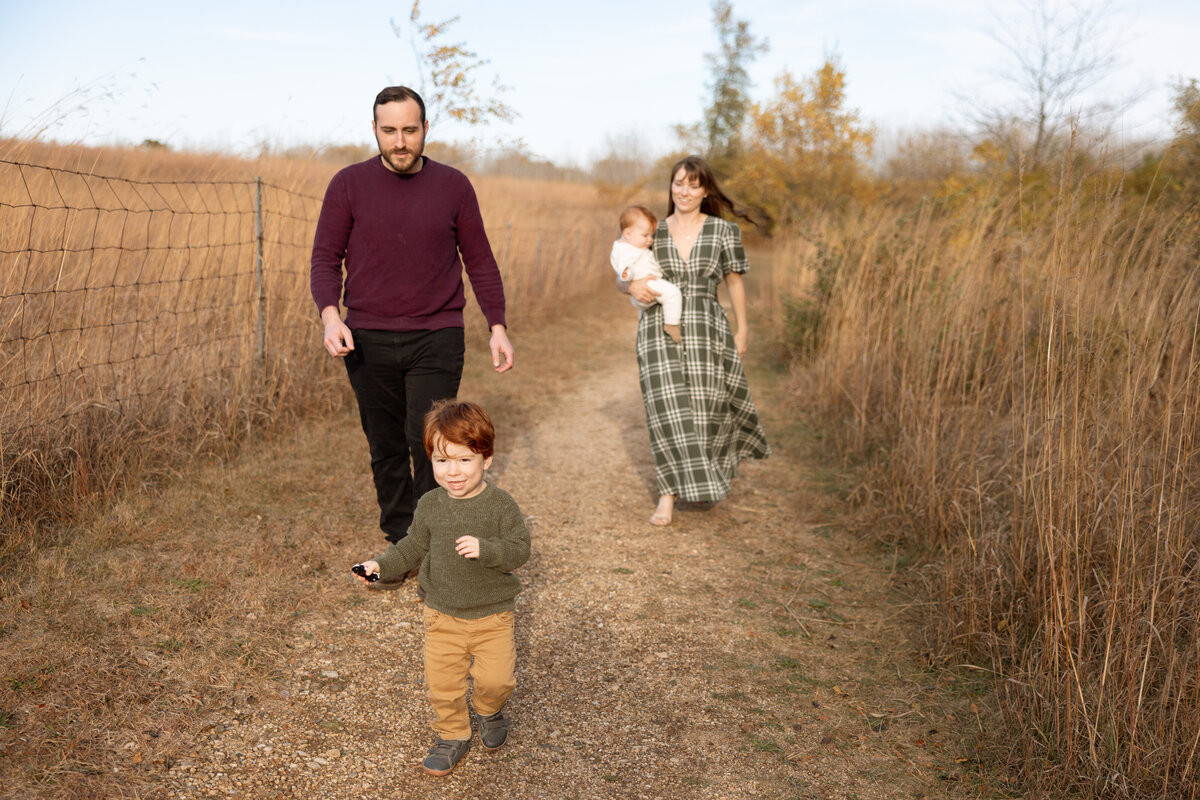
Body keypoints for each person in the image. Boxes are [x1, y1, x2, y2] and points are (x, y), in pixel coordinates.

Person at [311, 86, 514, 588]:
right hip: (367, 337)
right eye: (389, 131)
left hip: (436, 334)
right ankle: (401, 545)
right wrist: (331, 317)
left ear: (425, 128)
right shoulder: (348, 184)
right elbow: (325, 258)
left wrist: (497, 325)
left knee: (430, 444)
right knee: (384, 445)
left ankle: (434, 548)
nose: (400, 141)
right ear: (374, 130)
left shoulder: (453, 186)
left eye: (409, 130)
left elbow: (480, 260)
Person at [352, 400, 530, 776]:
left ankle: (489, 710)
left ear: (487, 459)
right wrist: (379, 567)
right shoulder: (430, 505)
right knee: (443, 685)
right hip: (442, 616)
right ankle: (452, 734)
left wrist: (488, 549)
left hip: (493, 616)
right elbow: (411, 547)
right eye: (442, 460)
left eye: (465, 460)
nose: (453, 471)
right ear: (430, 460)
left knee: (497, 680)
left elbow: (520, 550)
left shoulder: (500, 505)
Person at [624, 156, 770, 526]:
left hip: (707, 327)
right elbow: (622, 269)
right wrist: (631, 285)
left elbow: (734, 281)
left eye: (693, 184)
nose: (684, 191)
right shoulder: (653, 230)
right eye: (678, 183)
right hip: (658, 327)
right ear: (670, 186)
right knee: (666, 409)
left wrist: (742, 329)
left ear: (706, 191)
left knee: (708, 407)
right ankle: (668, 495)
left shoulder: (723, 231)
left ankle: (706, 475)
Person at [610, 205, 683, 343]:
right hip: (647, 284)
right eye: (645, 235)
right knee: (673, 294)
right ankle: (671, 325)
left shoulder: (631, 246)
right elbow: (625, 267)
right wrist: (626, 275)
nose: (650, 240)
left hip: (641, 292)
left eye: (651, 235)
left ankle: (643, 328)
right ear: (627, 234)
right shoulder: (627, 250)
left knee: (644, 310)